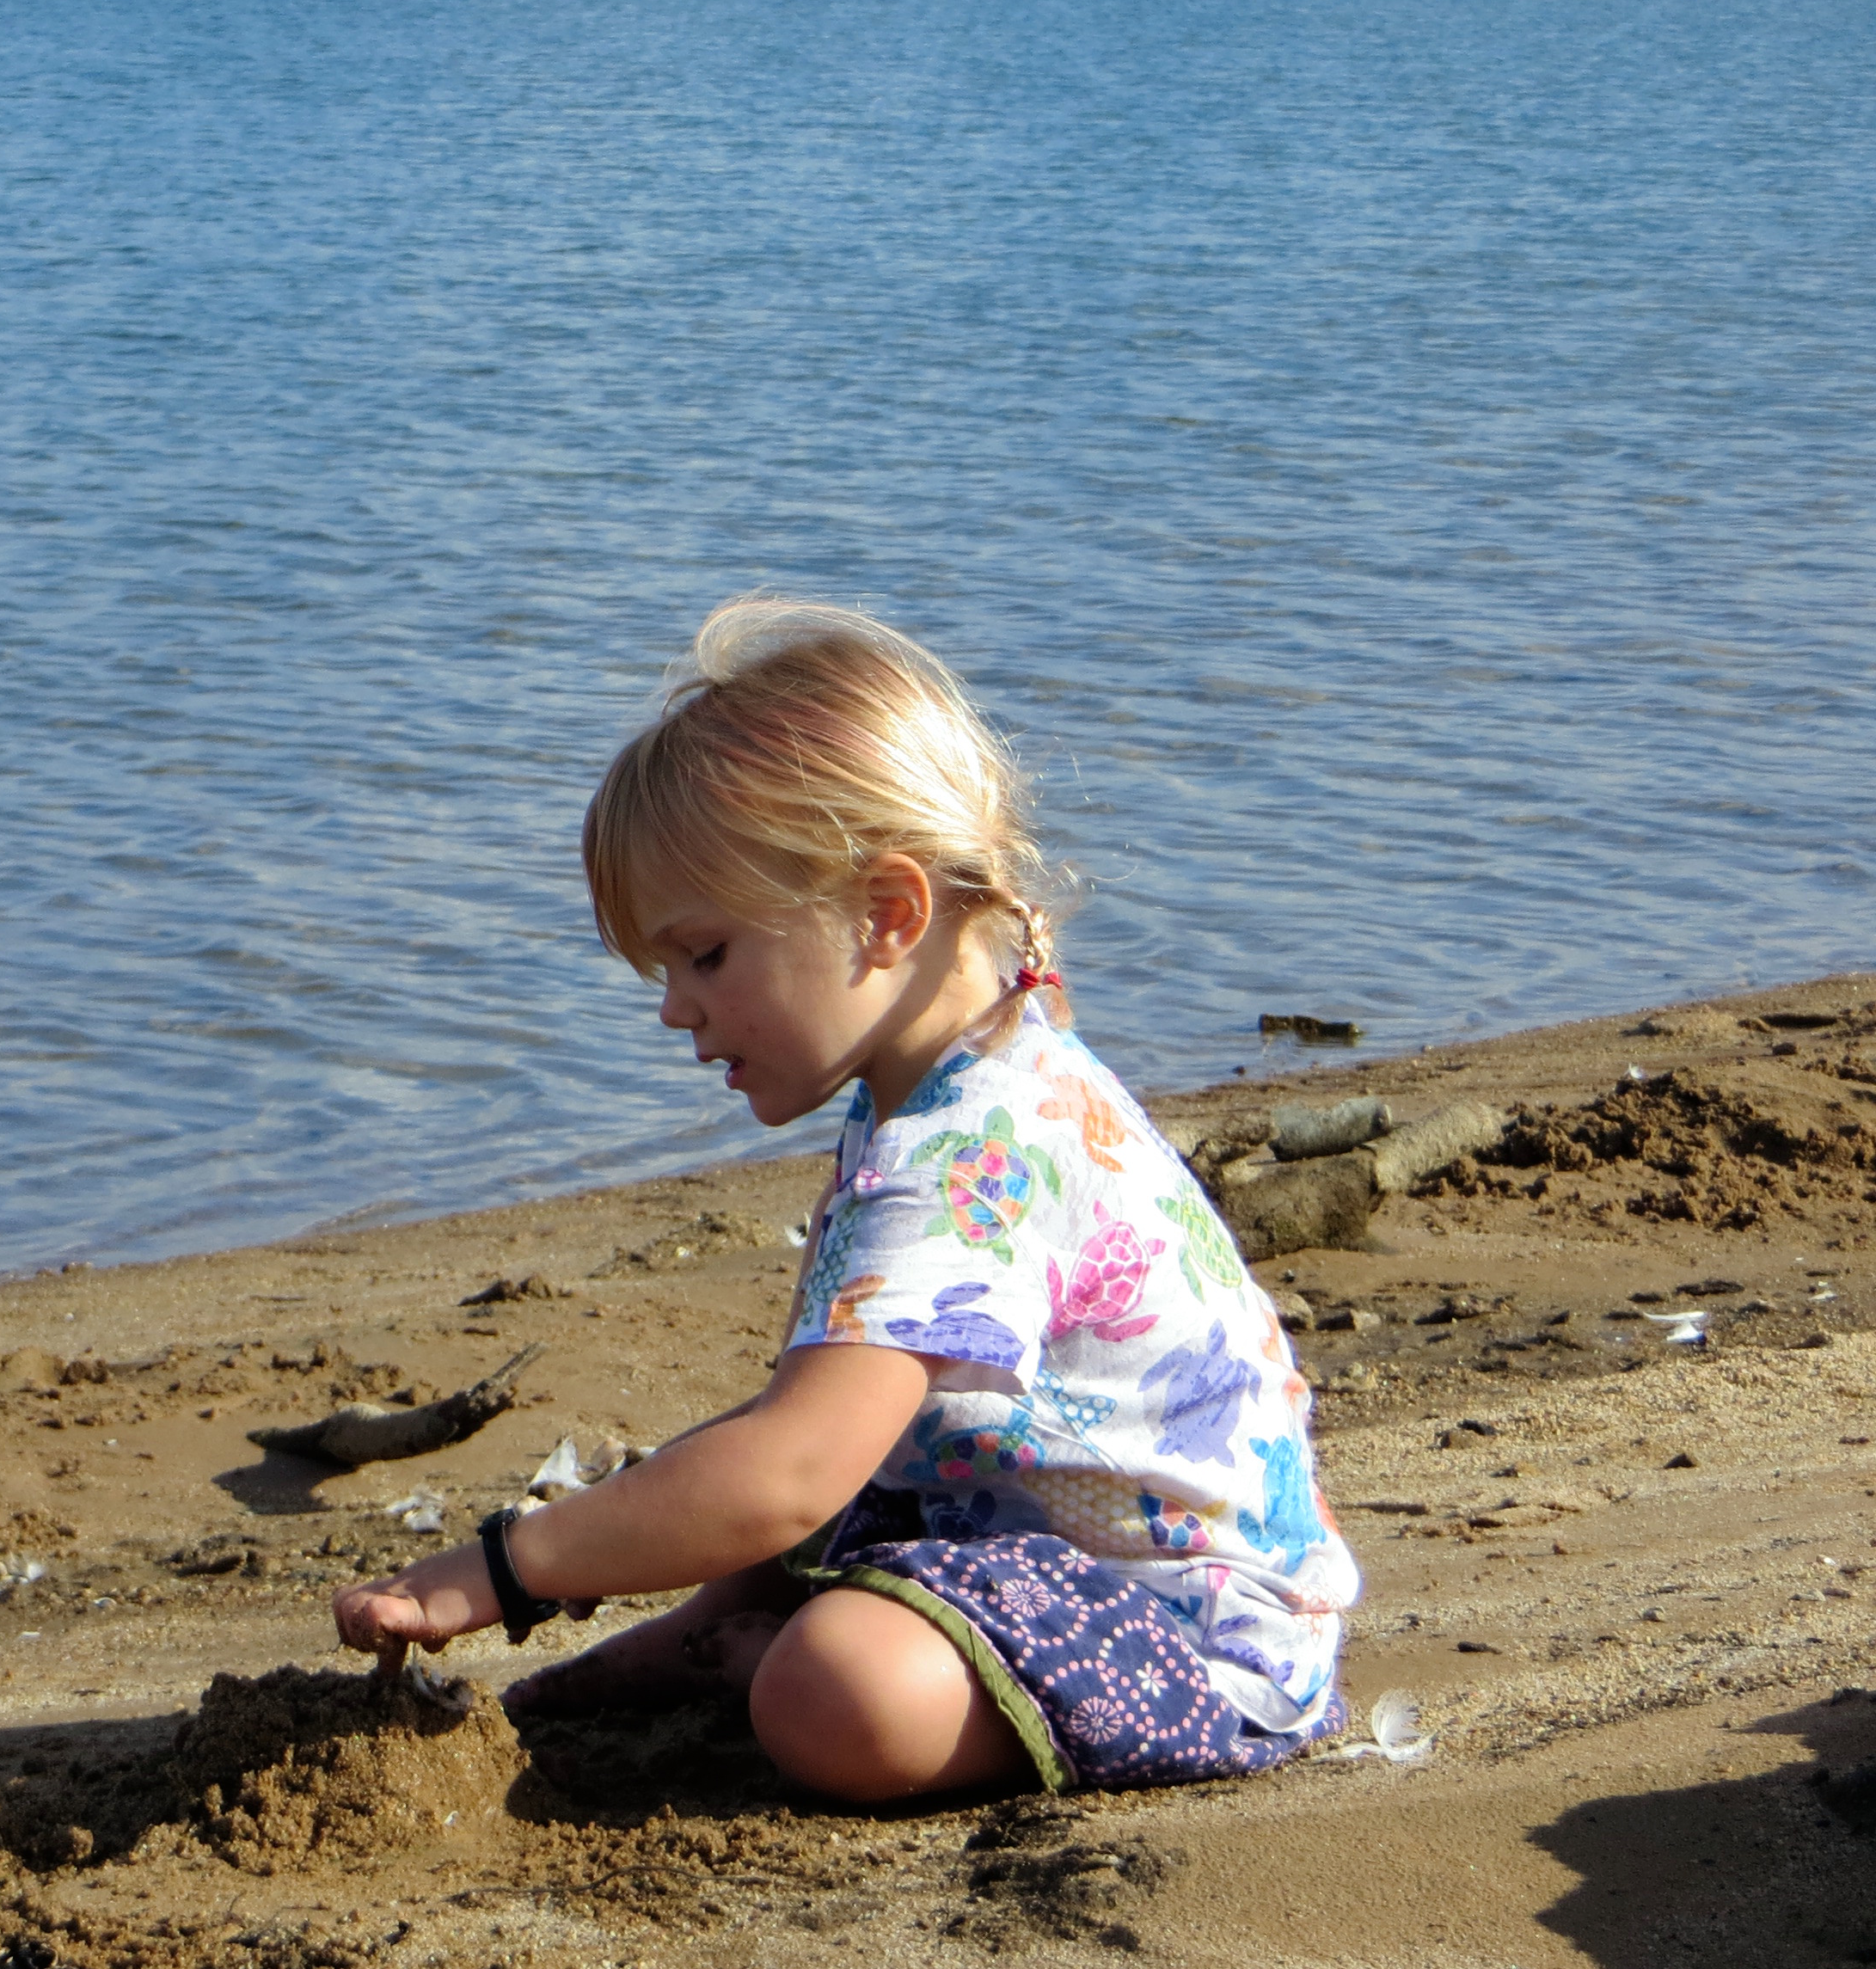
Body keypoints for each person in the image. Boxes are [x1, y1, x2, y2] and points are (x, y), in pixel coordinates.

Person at [334, 599, 1357, 1800]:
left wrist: (505, 1569)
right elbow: (822, 1426)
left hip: (1190, 1627)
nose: (674, 1007)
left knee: (834, 1688)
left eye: (706, 955)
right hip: (1012, 1530)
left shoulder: (968, 1153)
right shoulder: (952, 1081)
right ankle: (715, 1635)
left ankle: (765, 1658)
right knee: (822, 1458)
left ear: (888, 914)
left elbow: (792, 1472)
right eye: (665, 968)